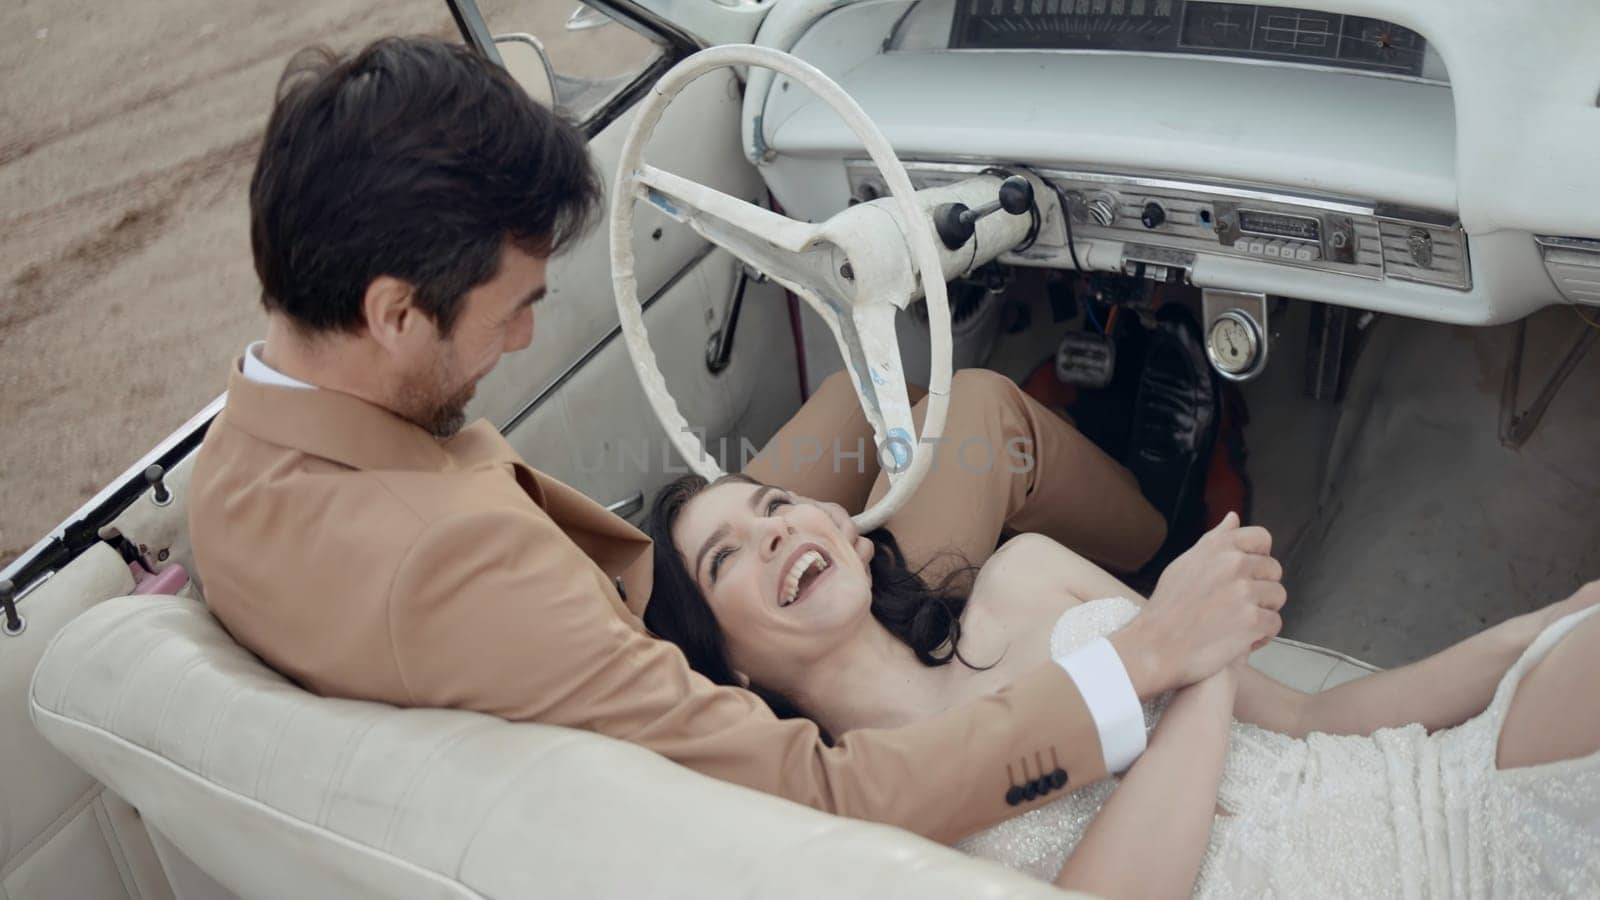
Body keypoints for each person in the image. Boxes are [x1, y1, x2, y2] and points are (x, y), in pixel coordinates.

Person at [188, 34, 1283, 850]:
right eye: (514, 305)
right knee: (985, 415)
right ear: (390, 313)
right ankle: (1164, 529)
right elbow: (824, 794)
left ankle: (1092, 437)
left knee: (890, 402)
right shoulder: (450, 570)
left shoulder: (240, 474)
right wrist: (1138, 660)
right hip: (683, 654)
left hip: (633, 594)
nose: (525, 337)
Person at [647, 472, 1600, 896]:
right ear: (729, 664)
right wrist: (1192, 657)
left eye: (775, 503)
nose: (774, 529)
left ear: (840, 526)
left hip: (1432, 798)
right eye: (727, 555)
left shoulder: (1026, 576)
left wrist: (1539, 628)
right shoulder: (861, 808)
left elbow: (1312, 716)